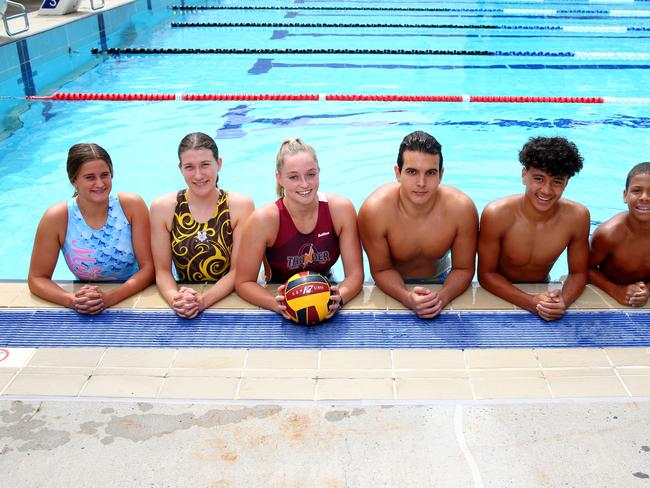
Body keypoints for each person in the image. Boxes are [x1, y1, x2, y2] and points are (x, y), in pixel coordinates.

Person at [235, 138, 363, 319]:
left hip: (326, 286)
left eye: (311, 174)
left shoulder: (340, 210)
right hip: (277, 289)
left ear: (319, 172)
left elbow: (355, 274)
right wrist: (276, 303)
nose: (304, 184)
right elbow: (243, 282)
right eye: (293, 177)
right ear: (279, 178)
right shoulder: (264, 220)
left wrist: (339, 297)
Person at [358, 131, 478, 319]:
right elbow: (381, 269)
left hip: (442, 279)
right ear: (398, 173)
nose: (421, 183)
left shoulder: (461, 209)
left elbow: (463, 269)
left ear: (441, 174)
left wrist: (442, 297)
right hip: (390, 281)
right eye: (412, 172)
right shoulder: (375, 211)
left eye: (430, 173)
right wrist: (406, 297)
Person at [28, 143, 154, 314]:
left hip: (136, 291)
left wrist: (109, 299)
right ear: (74, 181)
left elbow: (149, 268)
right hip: (87, 299)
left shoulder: (131, 206)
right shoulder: (57, 218)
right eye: (90, 177)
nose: (100, 183)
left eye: (105, 175)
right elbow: (37, 279)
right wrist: (72, 300)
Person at [477, 136, 590, 321]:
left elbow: (578, 273)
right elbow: (486, 274)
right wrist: (531, 302)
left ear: (566, 183)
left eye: (557, 182)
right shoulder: (497, 214)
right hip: (498, 291)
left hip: (541, 286)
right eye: (539, 179)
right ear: (524, 175)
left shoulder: (577, 217)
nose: (546, 190)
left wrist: (562, 301)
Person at [150, 132, 254, 319]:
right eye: (189, 167)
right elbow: (163, 271)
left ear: (219, 164)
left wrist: (203, 301)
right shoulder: (163, 208)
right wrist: (175, 299)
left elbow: (239, 271)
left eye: (205, 165)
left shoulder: (239, 206)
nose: (198, 175)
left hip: (226, 299)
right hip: (185, 299)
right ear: (180, 168)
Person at [589, 162, 650, 307]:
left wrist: (647, 290)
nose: (645, 197)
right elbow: (583, 269)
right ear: (625, 196)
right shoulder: (608, 234)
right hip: (612, 288)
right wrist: (616, 291)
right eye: (636, 191)